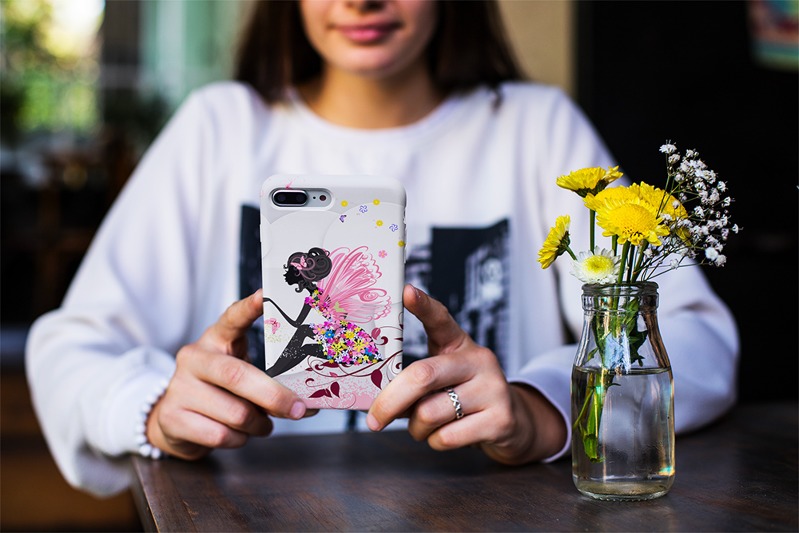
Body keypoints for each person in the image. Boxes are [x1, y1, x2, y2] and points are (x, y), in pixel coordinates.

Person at [25, 0, 739, 497]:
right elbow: (70, 346)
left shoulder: (535, 126)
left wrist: (540, 406)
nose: (361, 1)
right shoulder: (220, 128)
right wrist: (154, 409)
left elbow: (694, 336)